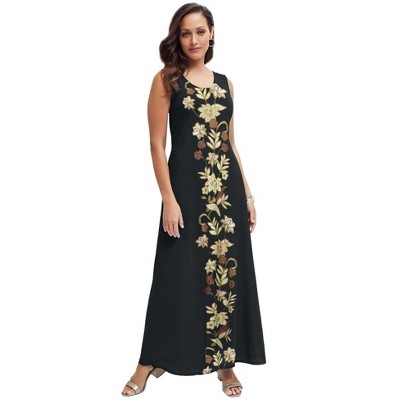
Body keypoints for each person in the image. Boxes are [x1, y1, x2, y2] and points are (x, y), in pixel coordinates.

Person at [121, 2, 266, 397]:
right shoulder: (166, 80)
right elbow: (156, 144)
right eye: (186, 33)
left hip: (227, 196)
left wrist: (247, 194)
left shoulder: (225, 84)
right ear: (177, 37)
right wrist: (168, 198)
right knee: (173, 275)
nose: (193, 40)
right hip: (185, 194)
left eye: (200, 31)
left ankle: (225, 364)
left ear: (212, 33)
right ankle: (149, 361)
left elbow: (230, 143)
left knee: (226, 277)